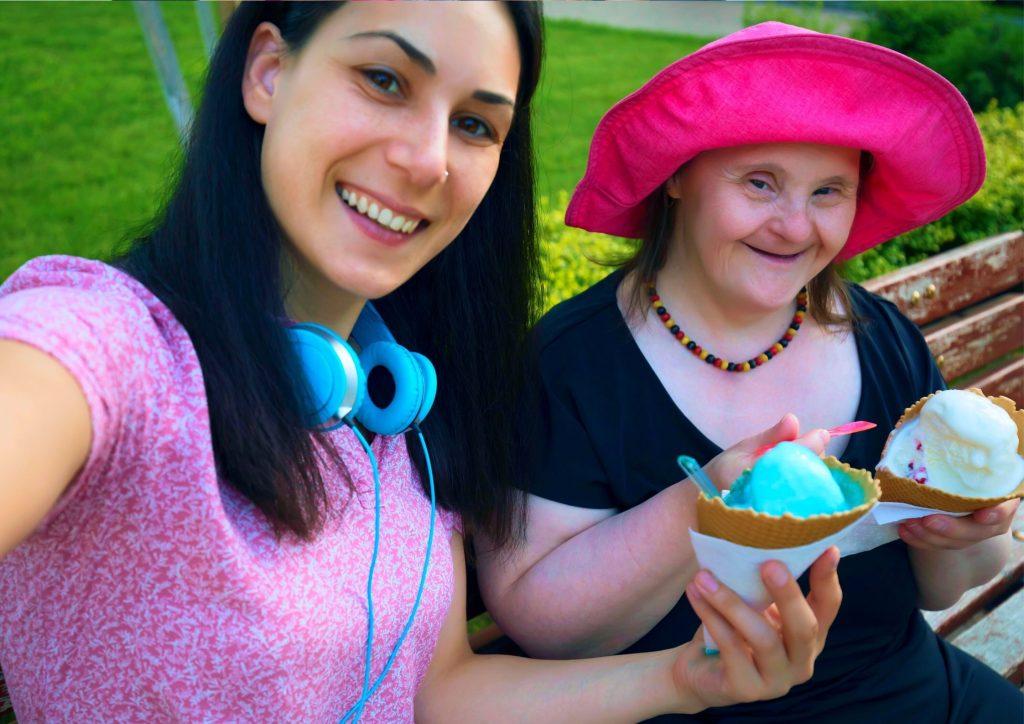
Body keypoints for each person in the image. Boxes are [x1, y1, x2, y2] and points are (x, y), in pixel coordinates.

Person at [0, 5, 844, 722]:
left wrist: (683, 680)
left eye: (475, 124)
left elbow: (442, 691)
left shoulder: (391, 400)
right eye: (384, 80)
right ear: (266, 72)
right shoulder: (111, 346)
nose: (429, 159)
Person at [476, 21, 1024, 724]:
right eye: (761, 183)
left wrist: (965, 531)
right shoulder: (573, 365)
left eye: (829, 191)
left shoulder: (881, 336)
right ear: (676, 175)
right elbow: (548, 629)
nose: (796, 227)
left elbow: (941, 590)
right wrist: (708, 504)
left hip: (914, 693)